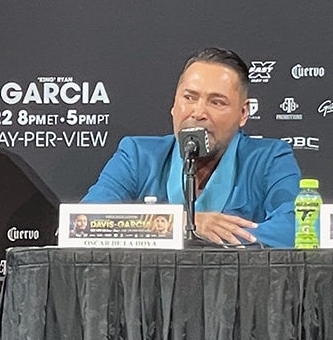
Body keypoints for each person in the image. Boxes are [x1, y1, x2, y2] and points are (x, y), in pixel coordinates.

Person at [83, 47, 300, 247]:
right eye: (189, 97)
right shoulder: (138, 155)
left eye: (217, 102)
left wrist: (202, 234)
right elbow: (86, 221)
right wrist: (184, 224)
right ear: (174, 105)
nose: (198, 113)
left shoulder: (269, 158)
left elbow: (298, 229)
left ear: (243, 113)